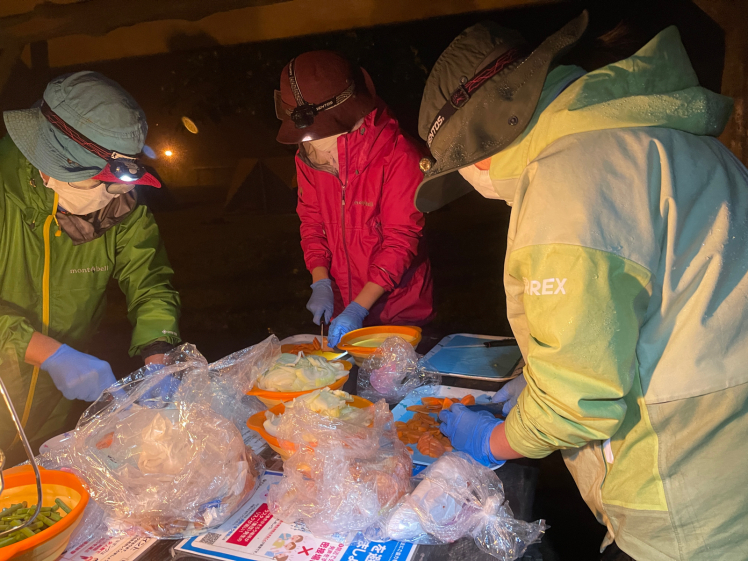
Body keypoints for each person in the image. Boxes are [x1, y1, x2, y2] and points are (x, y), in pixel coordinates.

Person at [417, 12, 748, 560]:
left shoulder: (570, 177)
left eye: (464, 164)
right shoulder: (656, 136)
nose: (472, 180)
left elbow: (578, 402)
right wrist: (533, 378)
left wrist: (492, 441)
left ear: (490, 135)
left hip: (687, 501)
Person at [0, 71, 181, 464]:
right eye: (94, 183)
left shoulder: (118, 206)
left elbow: (150, 281)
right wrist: (48, 353)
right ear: (50, 160)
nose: (107, 199)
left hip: (51, 408)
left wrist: (157, 358)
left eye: (114, 186)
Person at [275, 51, 433, 347]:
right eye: (311, 150)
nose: (322, 159)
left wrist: (360, 306)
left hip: (397, 311)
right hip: (342, 309)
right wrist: (320, 280)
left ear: (351, 122)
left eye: (328, 149)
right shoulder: (308, 156)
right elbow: (312, 223)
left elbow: (401, 240)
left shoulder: (400, 156)